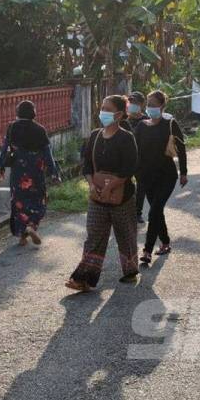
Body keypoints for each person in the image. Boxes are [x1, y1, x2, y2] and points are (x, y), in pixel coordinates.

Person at [65, 95, 139, 292]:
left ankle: (130, 270)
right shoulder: (95, 136)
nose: (102, 111)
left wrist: (111, 186)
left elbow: (130, 167)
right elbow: (87, 164)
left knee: (125, 234)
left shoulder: (126, 137)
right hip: (97, 196)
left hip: (122, 196)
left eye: (107, 108)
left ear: (119, 114)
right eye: (102, 107)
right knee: (94, 236)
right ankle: (84, 279)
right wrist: (91, 184)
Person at [135, 91, 188, 264]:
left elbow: (181, 149)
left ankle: (147, 250)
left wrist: (184, 173)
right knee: (157, 212)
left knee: (154, 211)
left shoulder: (170, 124)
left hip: (167, 176)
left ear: (162, 106)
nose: (150, 107)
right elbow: (133, 150)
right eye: (148, 104)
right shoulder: (141, 126)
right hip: (146, 177)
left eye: (153, 104)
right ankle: (165, 242)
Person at [0, 101, 60, 246]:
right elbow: (47, 153)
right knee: (38, 200)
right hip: (35, 171)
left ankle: (22, 236)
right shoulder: (40, 129)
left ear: (18, 112)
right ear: (33, 112)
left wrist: (1, 166)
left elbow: (5, 148)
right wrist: (54, 172)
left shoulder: (12, 127)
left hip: (18, 172)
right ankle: (31, 227)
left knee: (19, 203)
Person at [126, 91, 149, 224]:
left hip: (141, 159)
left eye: (135, 103)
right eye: (131, 102)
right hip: (126, 159)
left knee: (141, 187)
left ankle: (137, 213)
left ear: (142, 104)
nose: (132, 105)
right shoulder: (124, 120)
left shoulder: (146, 121)